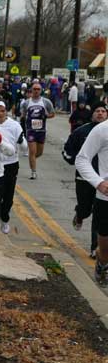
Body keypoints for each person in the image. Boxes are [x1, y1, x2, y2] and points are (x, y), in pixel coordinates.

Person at [65, 104, 108, 257]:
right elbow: (71, 154)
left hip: (102, 185)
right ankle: (80, 215)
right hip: (87, 179)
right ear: (92, 114)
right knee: (85, 209)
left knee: (97, 215)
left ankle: (94, 249)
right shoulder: (84, 131)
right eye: (98, 111)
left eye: (103, 111)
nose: (101, 114)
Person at [0, 101, 27, 234]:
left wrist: (22, 143)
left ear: (6, 111)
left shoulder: (14, 125)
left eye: (3, 111)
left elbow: (24, 145)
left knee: (8, 195)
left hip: (11, 164)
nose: (0, 113)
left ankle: (5, 218)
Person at [20, 81, 55, 179]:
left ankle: (32, 160)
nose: (36, 91)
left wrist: (46, 116)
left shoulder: (46, 102)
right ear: (31, 90)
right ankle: (33, 172)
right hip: (30, 130)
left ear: (41, 90)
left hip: (41, 131)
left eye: (38, 89)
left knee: (39, 153)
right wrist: (24, 118)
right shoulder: (27, 102)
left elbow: (53, 114)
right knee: (32, 151)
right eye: (34, 89)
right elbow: (22, 114)